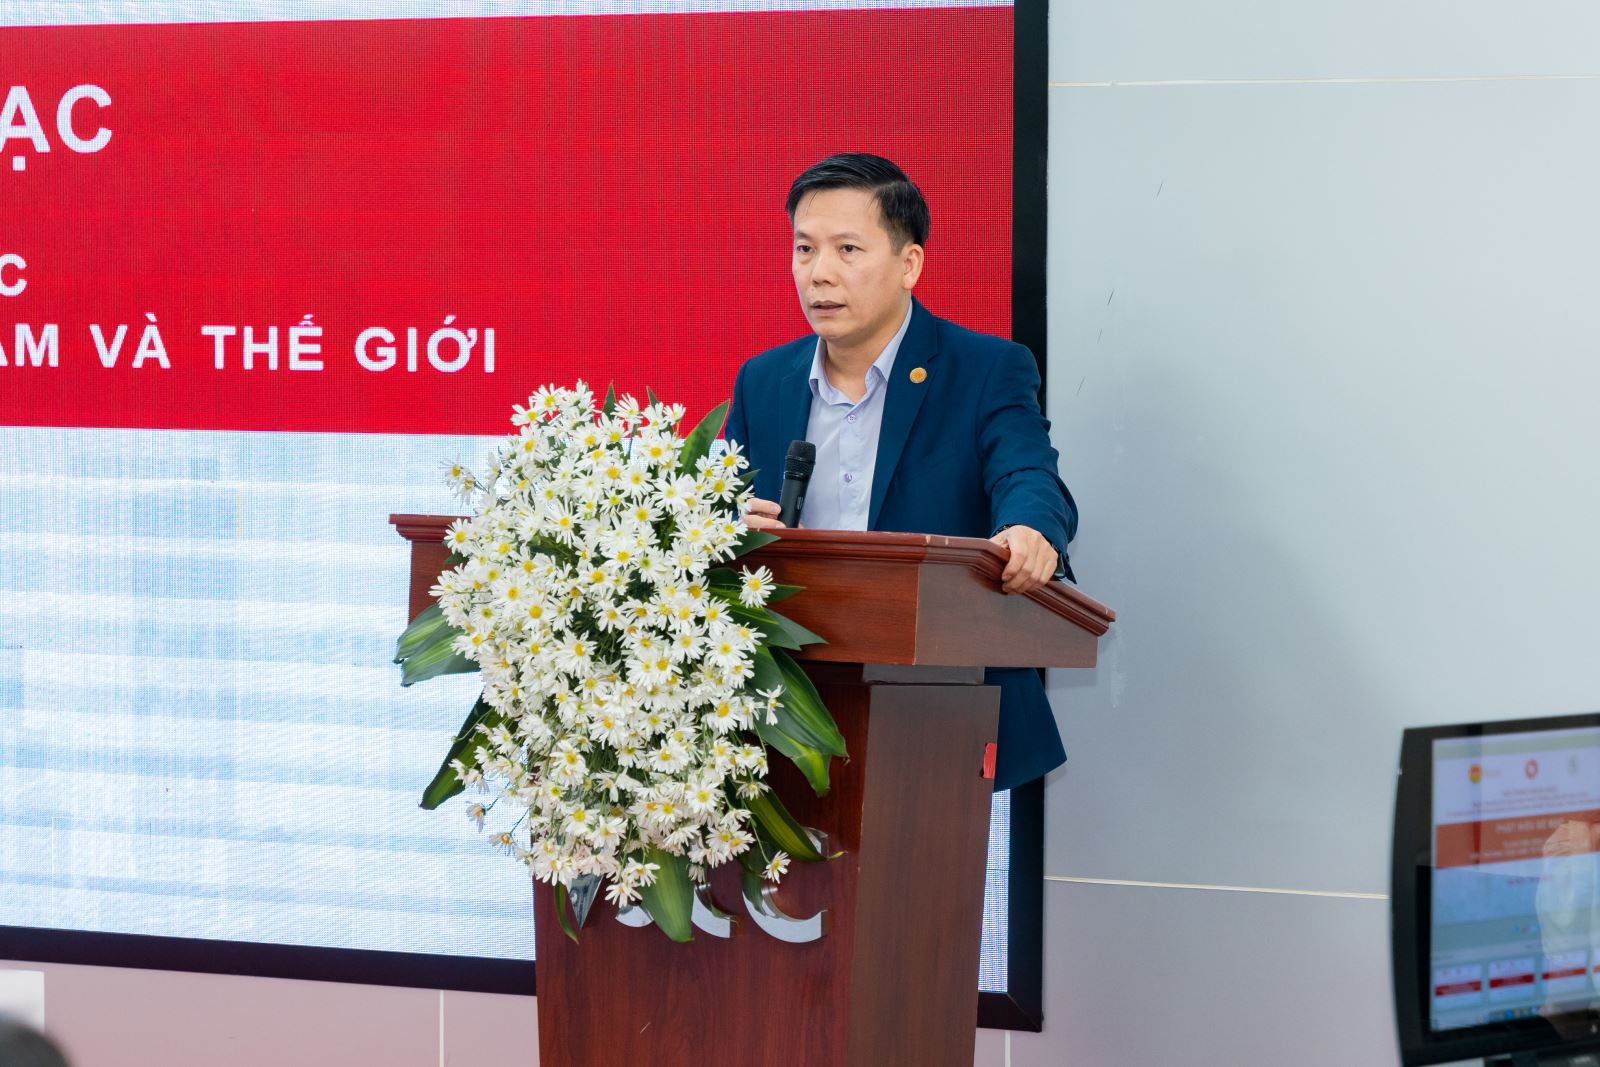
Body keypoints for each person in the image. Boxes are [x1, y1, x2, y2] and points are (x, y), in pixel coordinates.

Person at [724, 153, 1078, 790]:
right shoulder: (764, 380)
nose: (819, 272)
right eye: (804, 249)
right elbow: (720, 505)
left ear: (909, 263)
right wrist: (731, 526)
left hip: (943, 711)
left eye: (847, 249)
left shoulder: (985, 369)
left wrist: (1030, 529)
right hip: (786, 717)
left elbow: (1028, 473)